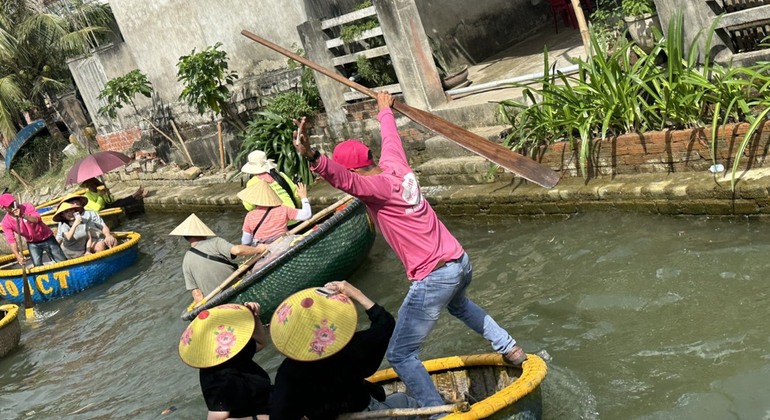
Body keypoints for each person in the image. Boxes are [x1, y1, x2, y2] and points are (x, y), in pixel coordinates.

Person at [293, 91, 528, 409]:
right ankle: (510, 348)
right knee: (459, 306)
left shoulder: (374, 187)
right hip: (459, 260)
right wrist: (384, 110)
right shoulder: (396, 166)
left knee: (401, 354)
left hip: (434, 275)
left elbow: (346, 181)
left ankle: (437, 413)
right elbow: (390, 139)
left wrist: (313, 158)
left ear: (357, 170)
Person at [270, 281, 419, 419]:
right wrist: (355, 293)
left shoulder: (287, 371)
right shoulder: (349, 349)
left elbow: (280, 415)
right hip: (367, 414)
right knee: (406, 400)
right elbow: (385, 324)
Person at [178, 302, 271, 420]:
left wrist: (255, 318)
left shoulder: (233, 352)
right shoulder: (218, 378)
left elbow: (260, 342)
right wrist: (260, 418)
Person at [169, 213, 267, 303]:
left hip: (217, 302)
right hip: (238, 292)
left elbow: (197, 294)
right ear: (202, 232)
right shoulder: (215, 242)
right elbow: (237, 250)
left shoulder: (186, 260)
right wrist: (258, 249)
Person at [237, 179, 311, 246]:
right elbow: (307, 214)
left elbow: (246, 241)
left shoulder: (250, 216)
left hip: (264, 251)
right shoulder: (283, 209)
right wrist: (303, 197)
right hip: (283, 245)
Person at [0, 193, 66, 266]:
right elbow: (11, 241)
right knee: (37, 265)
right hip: (32, 243)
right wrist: (18, 256)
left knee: (61, 261)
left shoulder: (27, 206)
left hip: (47, 237)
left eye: (13, 203)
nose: (13, 205)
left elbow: (37, 220)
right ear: (4, 208)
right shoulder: (5, 223)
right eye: (10, 205)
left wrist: (23, 215)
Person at [240, 150, 302, 227]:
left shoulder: (252, 183)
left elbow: (249, 206)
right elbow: (297, 195)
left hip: (277, 225)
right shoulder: (281, 175)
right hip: (295, 218)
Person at [80, 177, 147, 213]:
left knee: (119, 201)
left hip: (106, 206)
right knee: (119, 203)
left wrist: (108, 194)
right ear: (88, 187)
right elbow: (97, 208)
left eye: (94, 184)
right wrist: (100, 196)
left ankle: (137, 196)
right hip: (100, 211)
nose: (93, 186)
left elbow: (110, 201)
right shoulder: (86, 196)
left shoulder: (99, 191)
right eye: (90, 185)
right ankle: (136, 195)